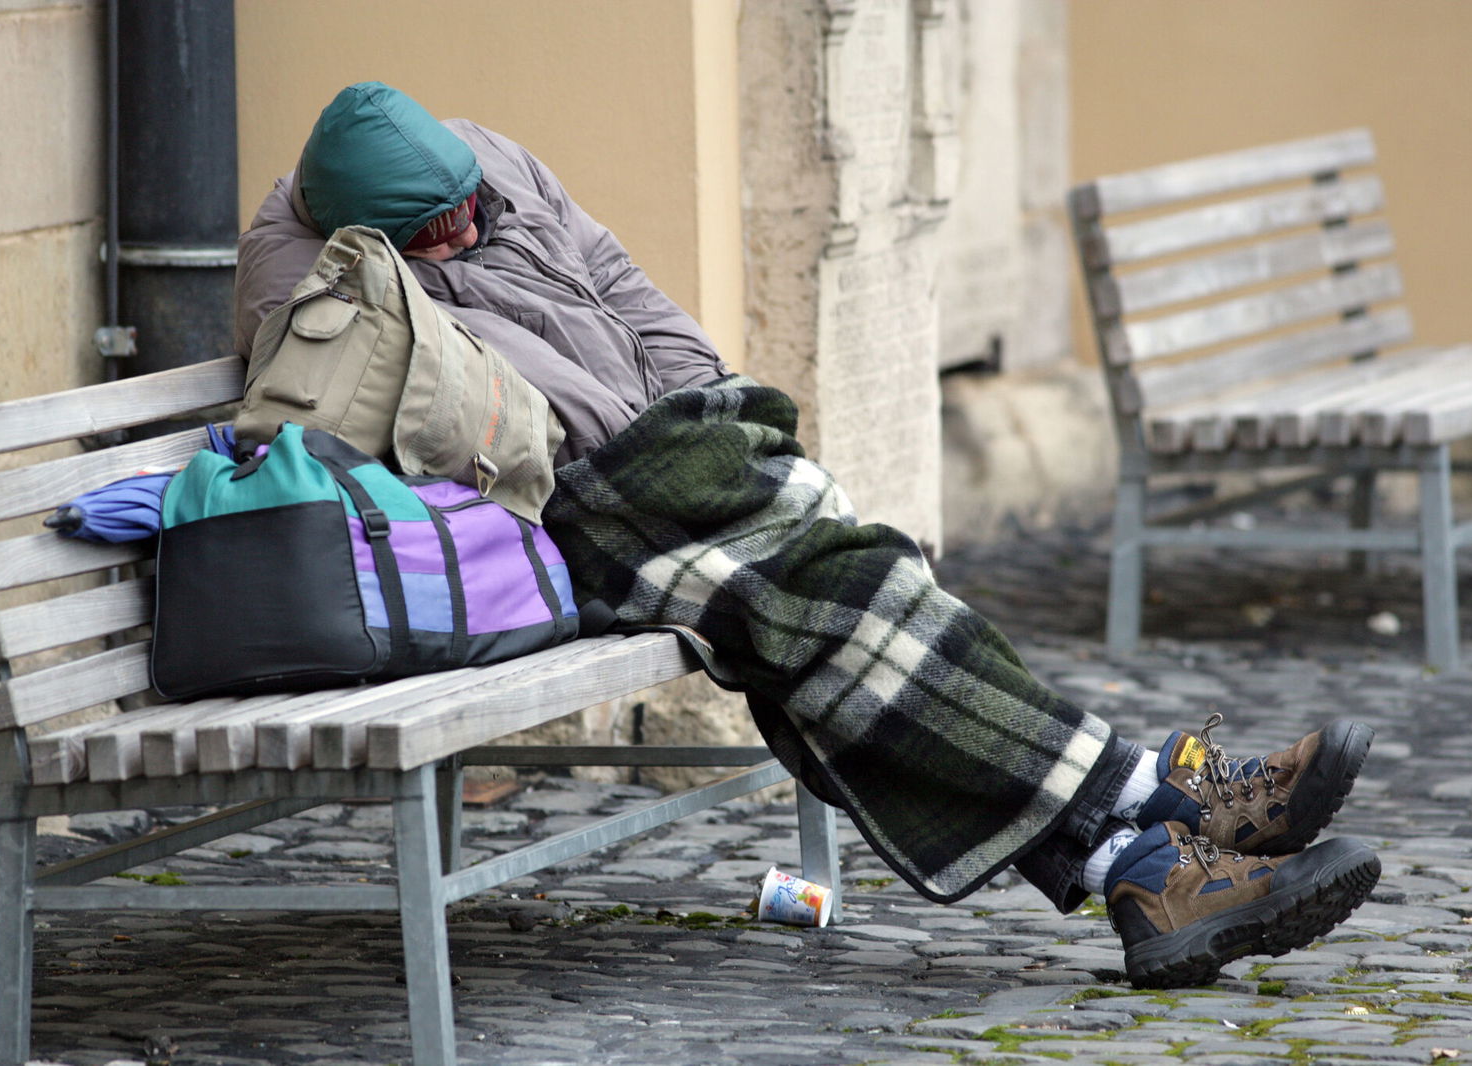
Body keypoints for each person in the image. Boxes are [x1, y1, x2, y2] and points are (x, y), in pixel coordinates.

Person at [235, 82, 1381, 989]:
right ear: (370, 233)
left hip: (681, 455)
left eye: (471, 207)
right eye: (438, 233)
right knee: (849, 600)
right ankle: (1165, 803)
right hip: (567, 520)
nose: (470, 230)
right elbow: (476, 429)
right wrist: (643, 451)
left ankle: (1140, 866)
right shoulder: (318, 282)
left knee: (853, 614)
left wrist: (704, 407)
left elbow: (627, 292)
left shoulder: (486, 164)